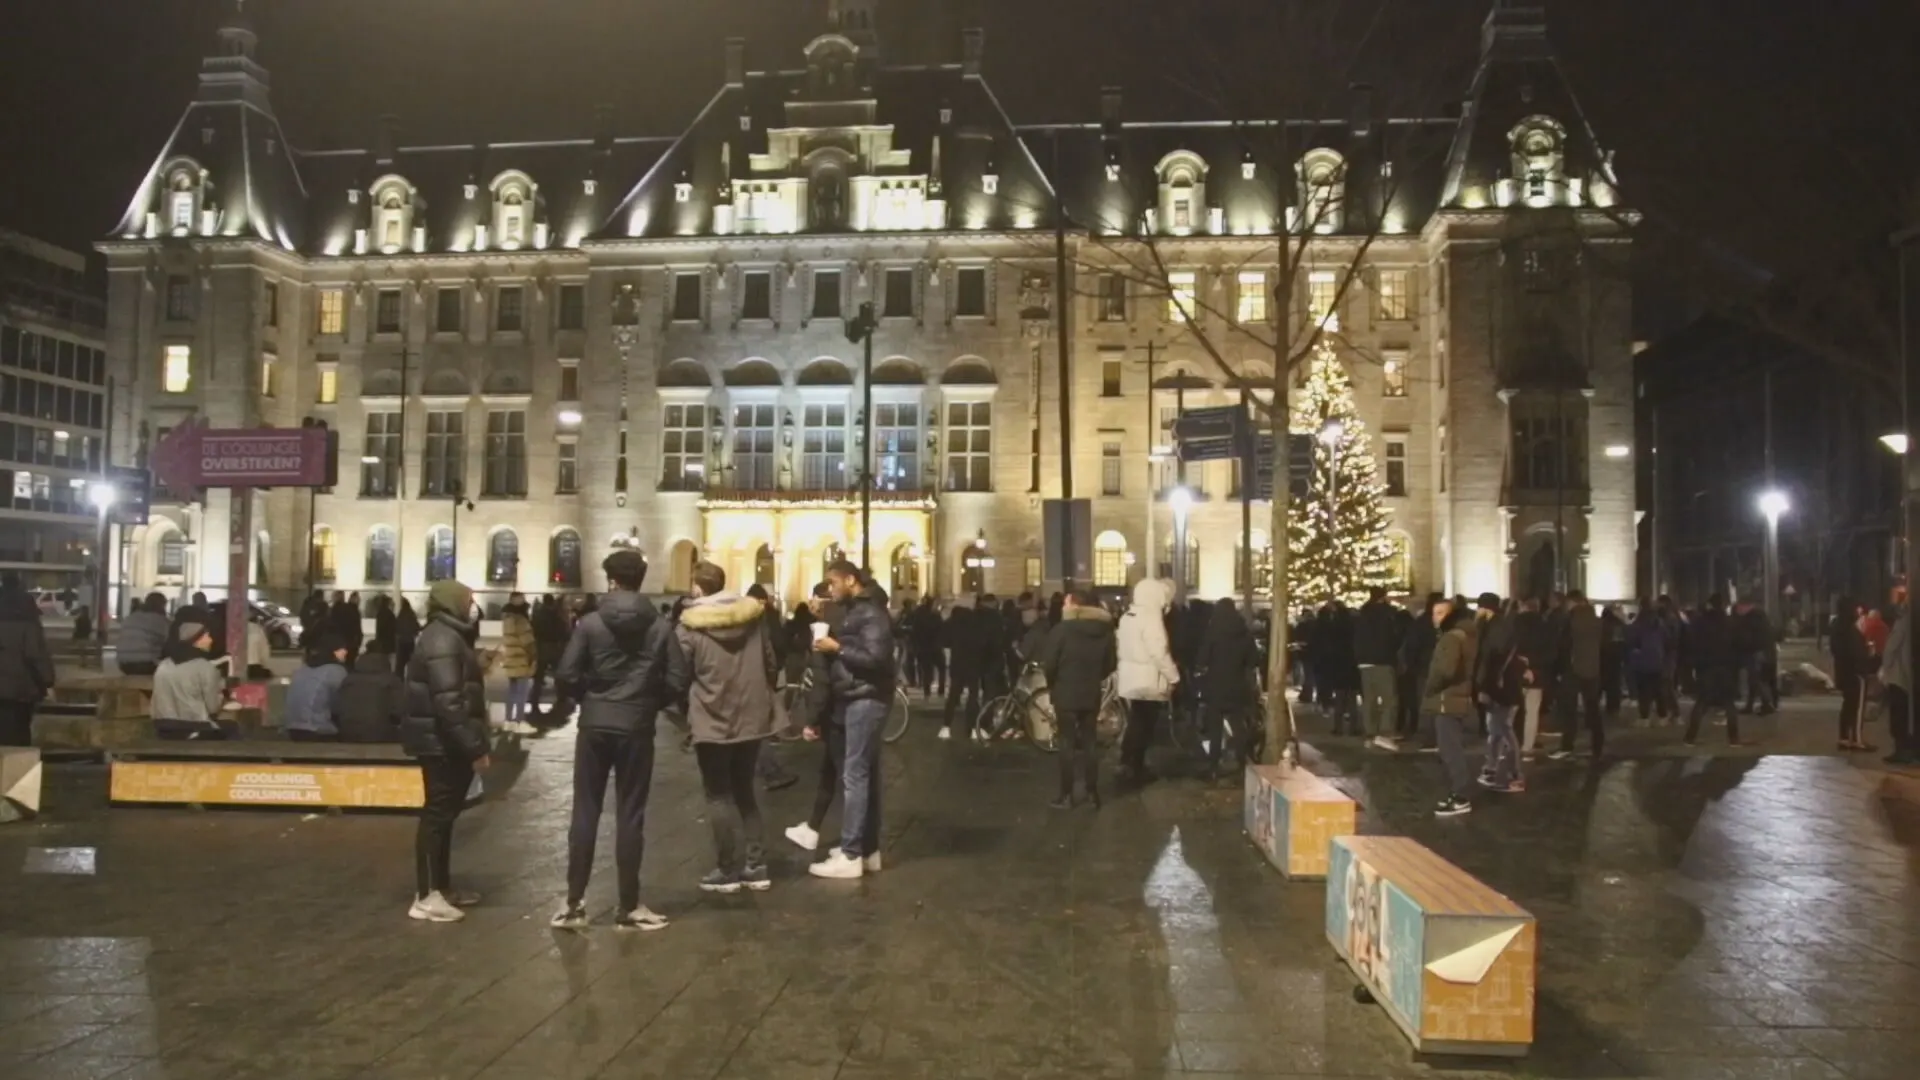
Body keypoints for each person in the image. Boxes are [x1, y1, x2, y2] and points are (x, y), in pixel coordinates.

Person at [550, 551, 673, 931]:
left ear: (611, 580)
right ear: (641, 578)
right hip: (636, 724)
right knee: (630, 813)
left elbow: (566, 674)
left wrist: (589, 695)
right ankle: (629, 904)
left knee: (585, 810)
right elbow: (679, 679)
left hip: (595, 723)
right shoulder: (660, 626)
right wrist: (649, 702)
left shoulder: (589, 624)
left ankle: (574, 903)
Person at [665, 561, 779, 893]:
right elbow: (771, 662)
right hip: (752, 715)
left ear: (698, 588)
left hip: (711, 714)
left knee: (718, 794)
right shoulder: (753, 617)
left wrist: (684, 707)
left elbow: (678, 672)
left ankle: (727, 869)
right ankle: (756, 866)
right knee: (745, 790)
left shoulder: (689, 625)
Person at [399, 579, 493, 924]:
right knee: (437, 816)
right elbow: (449, 701)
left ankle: (441, 887)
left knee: (445, 816)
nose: (473, 605)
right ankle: (427, 895)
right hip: (440, 743)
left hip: (443, 740)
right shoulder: (442, 638)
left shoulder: (449, 636)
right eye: (469, 600)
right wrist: (474, 747)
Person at [809, 560, 895, 880]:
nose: (830, 590)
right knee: (865, 774)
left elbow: (876, 658)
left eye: (832, 583)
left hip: (866, 698)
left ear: (850, 580)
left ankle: (850, 853)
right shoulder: (862, 610)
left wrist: (837, 648)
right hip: (861, 696)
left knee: (854, 775)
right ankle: (868, 850)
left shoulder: (870, 612)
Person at [1039, 588, 1117, 809]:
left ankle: (1066, 794)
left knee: (1067, 743)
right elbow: (1110, 664)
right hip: (1090, 692)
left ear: (1075, 605)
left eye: (1066, 602)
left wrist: (1054, 682)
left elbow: (1050, 664)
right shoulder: (1104, 630)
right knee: (1090, 742)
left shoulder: (1062, 630)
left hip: (1065, 692)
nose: (1063, 606)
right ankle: (1092, 793)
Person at [786, 583, 847, 853]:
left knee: (847, 778)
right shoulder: (845, 622)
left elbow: (822, 681)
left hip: (838, 713)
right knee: (831, 773)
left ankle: (858, 844)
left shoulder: (825, 631)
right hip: (843, 710)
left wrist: (812, 721)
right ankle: (813, 827)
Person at [1115, 578, 1180, 787]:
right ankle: (1135, 766)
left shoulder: (1128, 616)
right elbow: (1158, 651)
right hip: (1148, 679)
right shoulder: (1151, 618)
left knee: (1136, 720)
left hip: (1130, 677)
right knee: (1145, 724)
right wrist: (1173, 676)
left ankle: (1128, 761)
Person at [1196, 597, 1260, 782]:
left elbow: (1202, 659)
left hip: (1215, 686)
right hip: (1238, 685)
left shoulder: (1212, 632)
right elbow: (1254, 660)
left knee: (1215, 729)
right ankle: (1242, 763)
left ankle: (1214, 766)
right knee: (1238, 726)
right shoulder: (1244, 633)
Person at [1424, 599, 1478, 817]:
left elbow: (1445, 671)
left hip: (1448, 699)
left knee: (1450, 749)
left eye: (1441, 613)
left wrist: (1430, 686)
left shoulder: (1452, 638)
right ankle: (1458, 792)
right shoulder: (1465, 635)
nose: (1436, 617)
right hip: (1456, 697)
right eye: (1434, 613)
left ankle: (1460, 796)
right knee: (1450, 748)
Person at [1474, 596, 1528, 793]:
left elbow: (1490, 661)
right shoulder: (1499, 627)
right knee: (1496, 730)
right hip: (1502, 686)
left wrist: (1483, 687)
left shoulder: (1494, 630)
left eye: (1478, 608)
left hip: (1501, 687)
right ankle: (1491, 768)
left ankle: (1515, 775)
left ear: (1486, 609)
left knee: (1503, 728)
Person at [1683, 594, 1747, 747]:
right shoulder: (1730, 623)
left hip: (1706, 667)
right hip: (1726, 667)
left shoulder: (1700, 622)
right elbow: (1739, 644)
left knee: (1702, 702)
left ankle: (1690, 737)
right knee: (1729, 703)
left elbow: (1692, 643)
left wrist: (1694, 664)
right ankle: (1734, 738)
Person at [1548, 591, 1605, 761]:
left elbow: (1563, 646)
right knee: (1593, 709)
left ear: (1572, 602)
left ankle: (1567, 745)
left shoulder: (1570, 620)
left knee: (1569, 710)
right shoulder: (1596, 621)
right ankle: (1597, 745)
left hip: (1572, 669)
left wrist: (1558, 669)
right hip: (1593, 668)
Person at [151, 621, 229, 740]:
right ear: (196, 640)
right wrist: (223, 697)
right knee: (233, 730)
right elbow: (213, 708)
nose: (210, 640)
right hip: (194, 728)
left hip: (163, 727)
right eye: (207, 636)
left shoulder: (163, 665)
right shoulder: (205, 667)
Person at [0, 576, 54, 746]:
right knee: (19, 730)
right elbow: (36, 655)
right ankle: (19, 767)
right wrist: (48, 681)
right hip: (22, 688)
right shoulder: (27, 617)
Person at [1352, 587, 1403, 750]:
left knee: (1369, 700)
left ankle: (1370, 733)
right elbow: (1394, 637)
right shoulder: (1388, 614)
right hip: (1383, 660)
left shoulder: (1362, 614)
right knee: (1389, 700)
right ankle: (1385, 733)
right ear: (1383, 597)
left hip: (1364, 663)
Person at [284, 633, 350, 742]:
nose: (345, 652)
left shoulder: (302, 670)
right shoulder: (335, 670)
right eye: (342, 649)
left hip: (293, 728)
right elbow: (341, 704)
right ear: (333, 651)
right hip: (318, 729)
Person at [1829, 595, 1873, 752]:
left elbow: (1837, 650)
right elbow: (1856, 652)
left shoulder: (1836, 626)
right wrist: (1867, 661)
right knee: (1857, 707)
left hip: (1843, 671)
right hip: (1855, 673)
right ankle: (1857, 740)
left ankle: (1844, 738)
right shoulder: (1850, 629)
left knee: (1848, 704)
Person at [336, 648, 406, 743]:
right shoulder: (391, 681)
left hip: (347, 733)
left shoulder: (348, 680)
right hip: (380, 735)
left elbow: (337, 708)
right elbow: (399, 711)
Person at [498, 592, 538, 734]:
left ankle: (508, 721)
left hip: (510, 658)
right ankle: (519, 721)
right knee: (522, 692)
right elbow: (527, 641)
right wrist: (533, 656)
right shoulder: (520, 620)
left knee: (512, 691)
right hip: (521, 659)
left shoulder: (506, 618)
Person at [940, 601, 981, 741]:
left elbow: (945, 641)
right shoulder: (974, 624)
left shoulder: (952, 624)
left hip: (957, 663)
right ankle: (972, 728)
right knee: (973, 696)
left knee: (953, 695)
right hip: (973, 663)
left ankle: (946, 726)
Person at [1625, 606, 1671, 723]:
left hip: (1642, 663)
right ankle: (1662, 716)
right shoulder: (1660, 626)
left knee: (1644, 692)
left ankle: (1645, 717)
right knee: (1659, 691)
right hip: (1658, 662)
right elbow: (1668, 642)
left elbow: (1631, 642)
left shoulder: (1637, 626)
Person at [528, 594, 570, 726]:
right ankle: (561, 698)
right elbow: (563, 631)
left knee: (538, 677)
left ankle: (534, 701)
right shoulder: (557, 615)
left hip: (541, 648)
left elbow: (533, 630)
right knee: (558, 675)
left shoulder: (538, 615)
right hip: (554, 649)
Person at [1883, 598, 1915, 765]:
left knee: (1898, 716)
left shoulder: (1902, 624)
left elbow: (1890, 648)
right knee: (1906, 715)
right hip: (1909, 677)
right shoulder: (1913, 622)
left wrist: (1884, 669)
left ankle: (1900, 750)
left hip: (1898, 677)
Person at [116, 592, 172, 676]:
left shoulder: (130, 618)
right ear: (162, 605)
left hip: (124, 664)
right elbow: (172, 640)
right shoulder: (161, 621)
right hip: (147, 664)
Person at [909, 595, 945, 698]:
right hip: (934, 647)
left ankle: (927, 691)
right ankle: (940, 690)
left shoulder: (918, 615)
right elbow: (940, 629)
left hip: (923, 647)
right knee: (940, 668)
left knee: (927, 671)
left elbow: (914, 632)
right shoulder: (934, 616)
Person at [329, 591, 363, 664]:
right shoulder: (351, 610)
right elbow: (356, 627)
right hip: (350, 641)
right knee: (349, 662)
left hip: (339, 640)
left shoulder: (335, 610)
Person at [396, 598, 421, 673]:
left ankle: (399, 679)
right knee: (411, 662)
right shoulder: (411, 614)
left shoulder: (400, 615)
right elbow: (416, 627)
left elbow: (396, 627)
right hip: (410, 641)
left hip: (401, 642)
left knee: (400, 663)